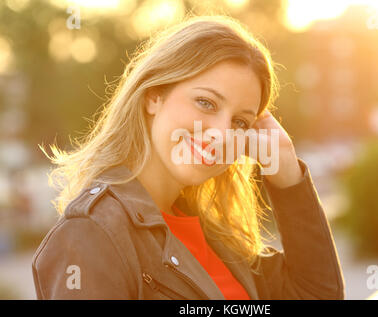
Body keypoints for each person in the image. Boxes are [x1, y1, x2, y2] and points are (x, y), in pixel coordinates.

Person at [32, 14, 345, 300]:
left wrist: (286, 171)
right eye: (206, 103)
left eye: (239, 122)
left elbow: (318, 295)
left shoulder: (217, 239)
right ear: (154, 95)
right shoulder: (93, 232)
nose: (221, 134)